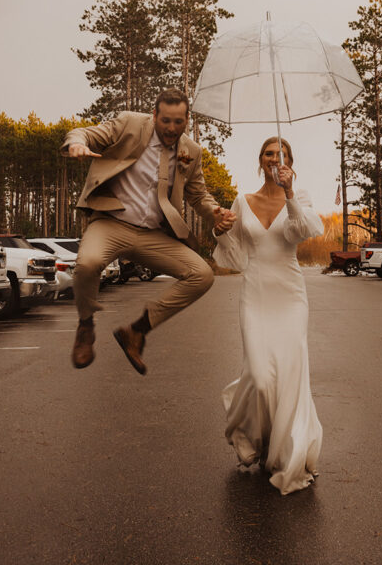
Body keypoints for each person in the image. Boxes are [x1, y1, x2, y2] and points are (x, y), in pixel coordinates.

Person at [62, 88, 235, 373]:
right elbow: (86, 133)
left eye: (178, 122)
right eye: (165, 120)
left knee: (202, 275)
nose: (171, 128)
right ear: (154, 115)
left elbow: (199, 196)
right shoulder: (129, 124)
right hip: (112, 223)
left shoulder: (190, 151)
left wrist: (216, 214)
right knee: (88, 263)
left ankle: (136, 331)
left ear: (187, 120)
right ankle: (85, 326)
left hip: (154, 235)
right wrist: (77, 144)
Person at [212, 136, 324, 495]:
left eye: (282, 154)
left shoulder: (300, 198)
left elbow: (301, 232)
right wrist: (220, 231)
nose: (275, 158)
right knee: (260, 377)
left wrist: (289, 194)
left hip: (290, 297)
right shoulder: (243, 201)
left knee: (289, 375)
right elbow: (235, 255)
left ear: (290, 161)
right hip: (255, 294)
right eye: (269, 153)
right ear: (260, 160)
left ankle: (285, 453)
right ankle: (253, 437)